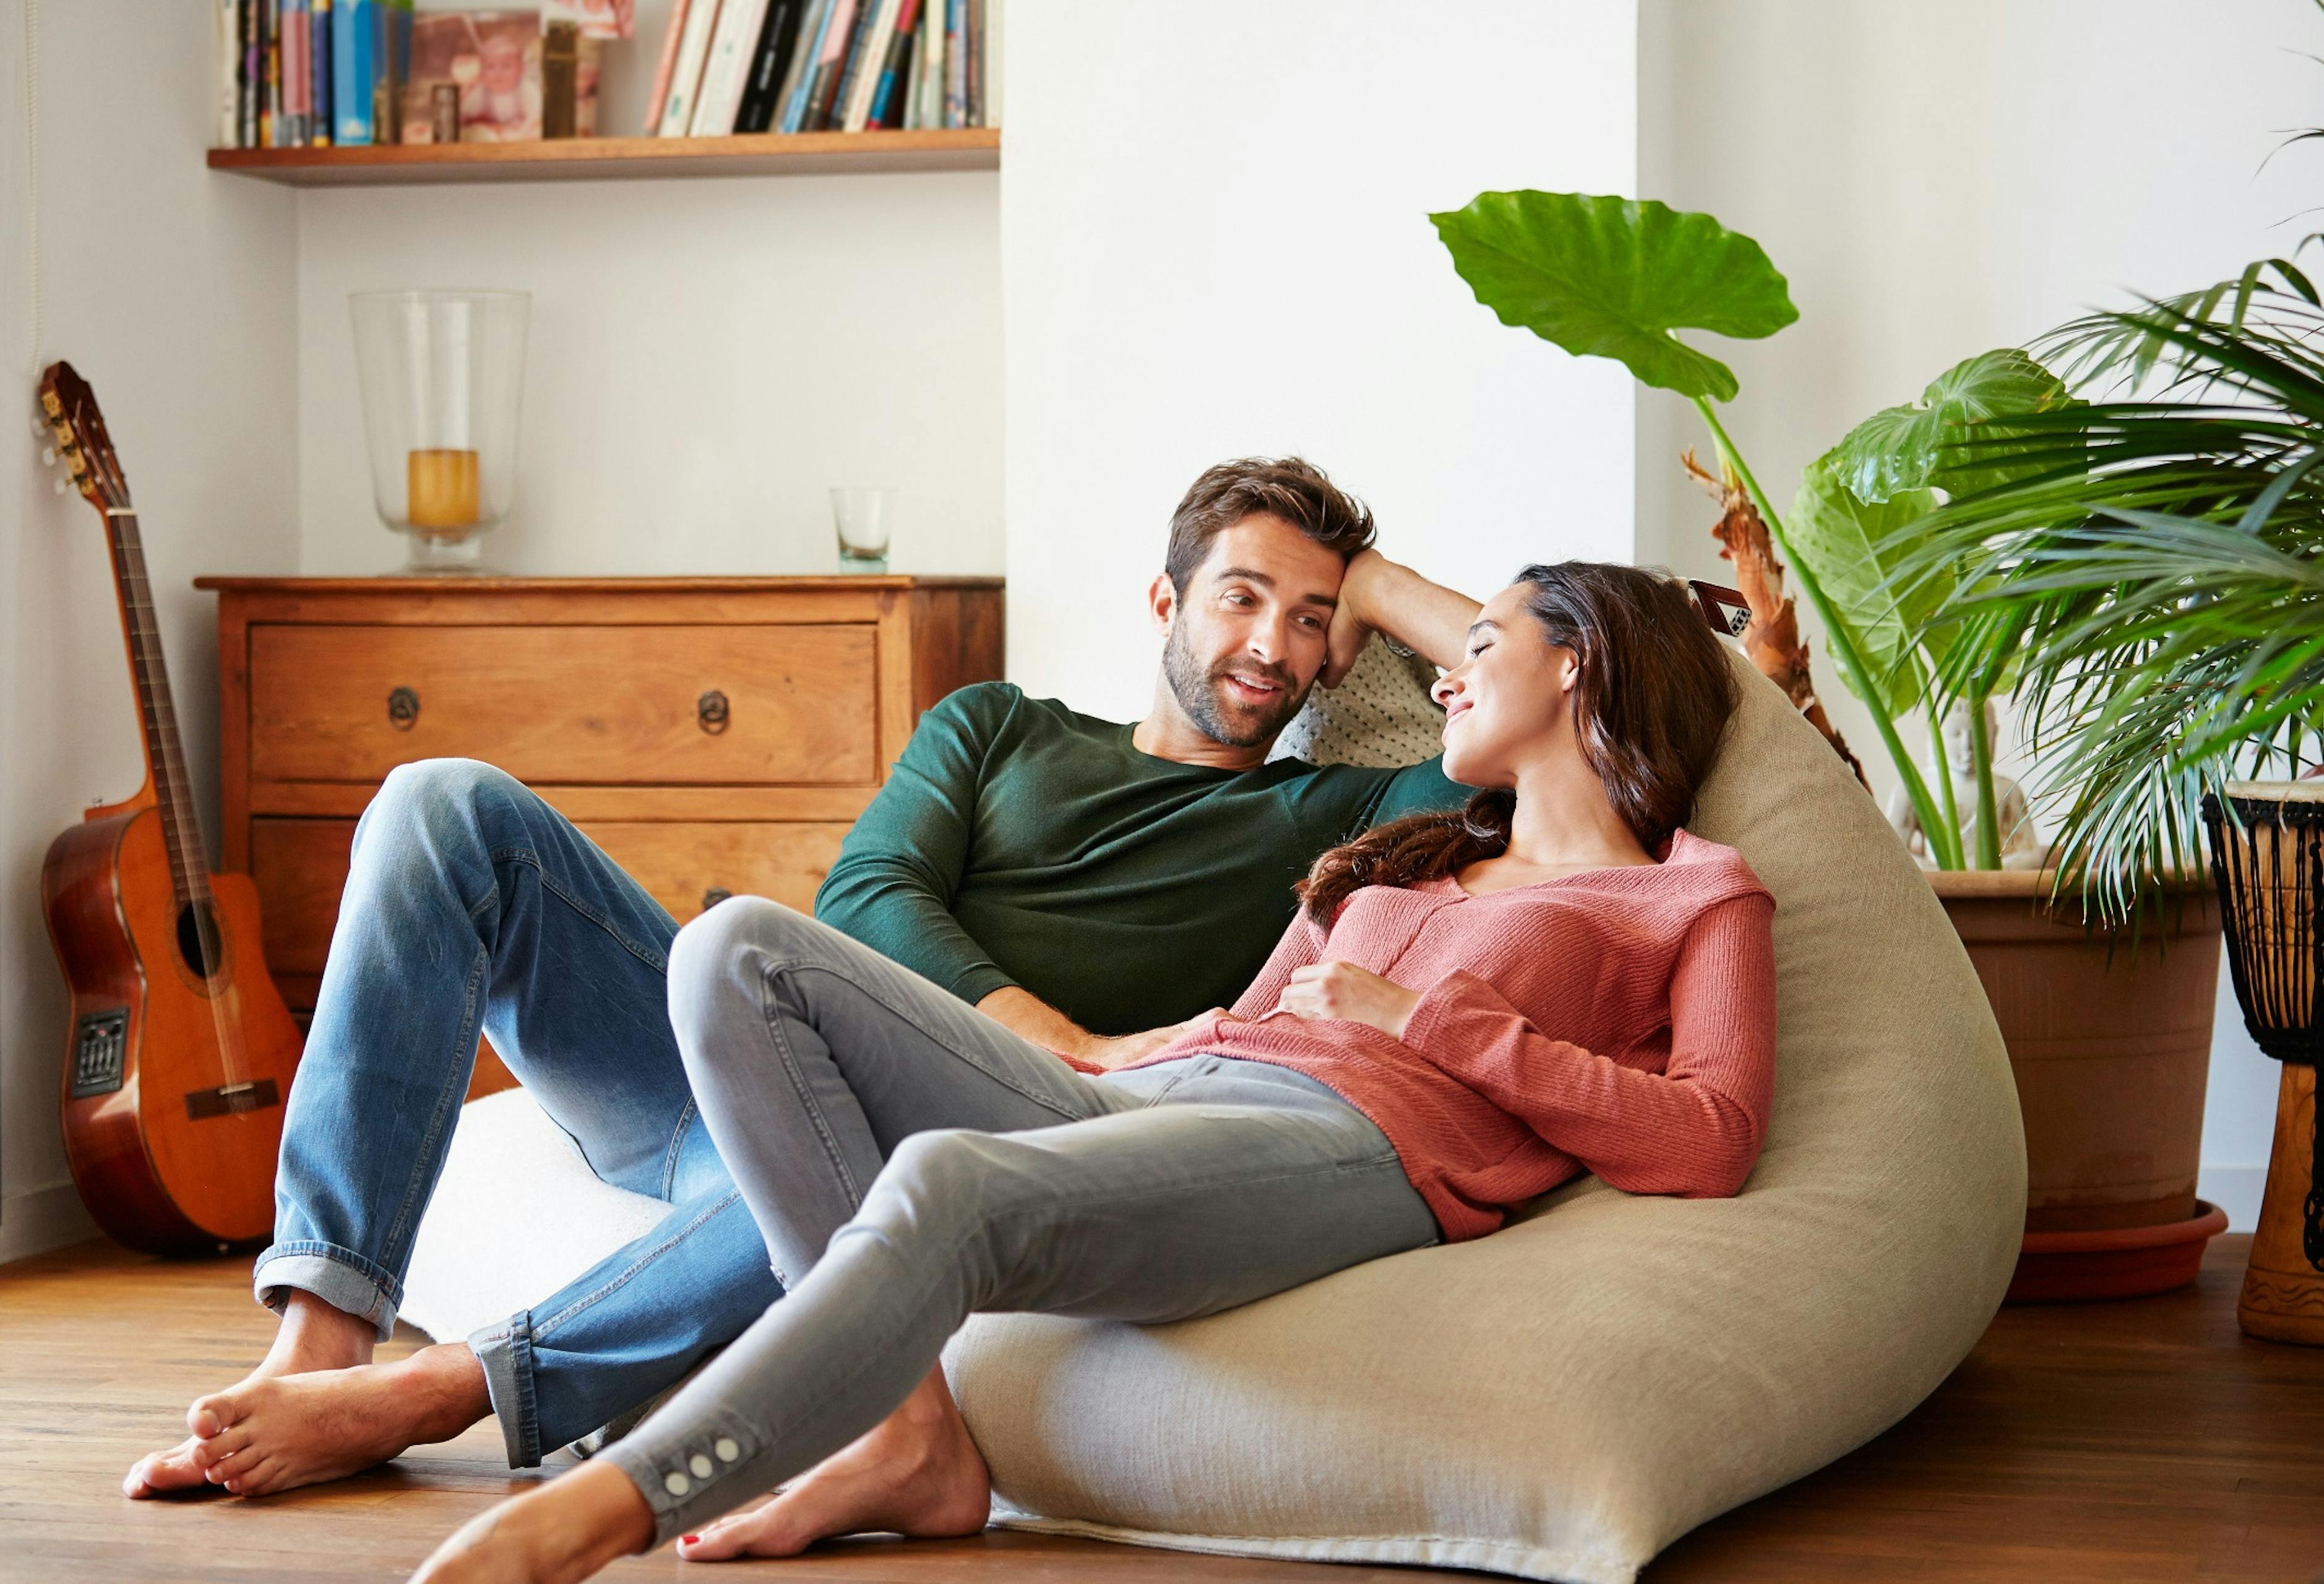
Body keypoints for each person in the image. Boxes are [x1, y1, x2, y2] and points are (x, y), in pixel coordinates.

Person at [126, 457, 1481, 1512]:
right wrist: (1067, 1035)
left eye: (1312, 622)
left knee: (904, 1152)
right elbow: (866, 900)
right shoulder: (998, 724)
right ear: (1165, 599)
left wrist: (1377, 579)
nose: (1272, 642)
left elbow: (1541, 715)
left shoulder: (1334, 813)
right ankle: (320, 1332)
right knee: (441, 803)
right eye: (1243, 593)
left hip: (907, 1135)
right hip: (719, 1062)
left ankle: (445, 1388)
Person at [402, 560, 1780, 1583]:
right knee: (735, 950)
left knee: (947, 1180)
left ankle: (603, 1510)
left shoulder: (1695, 893)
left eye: (1483, 645)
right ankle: (909, 1431)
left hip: (1355, 1144)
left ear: (1582, 664)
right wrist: (1084, 1054)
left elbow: (1712, 1134)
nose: (1444, 673)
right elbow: (1233, 1025)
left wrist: (1442, 1022)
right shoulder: (1407, 850)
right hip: (1170, 1099)